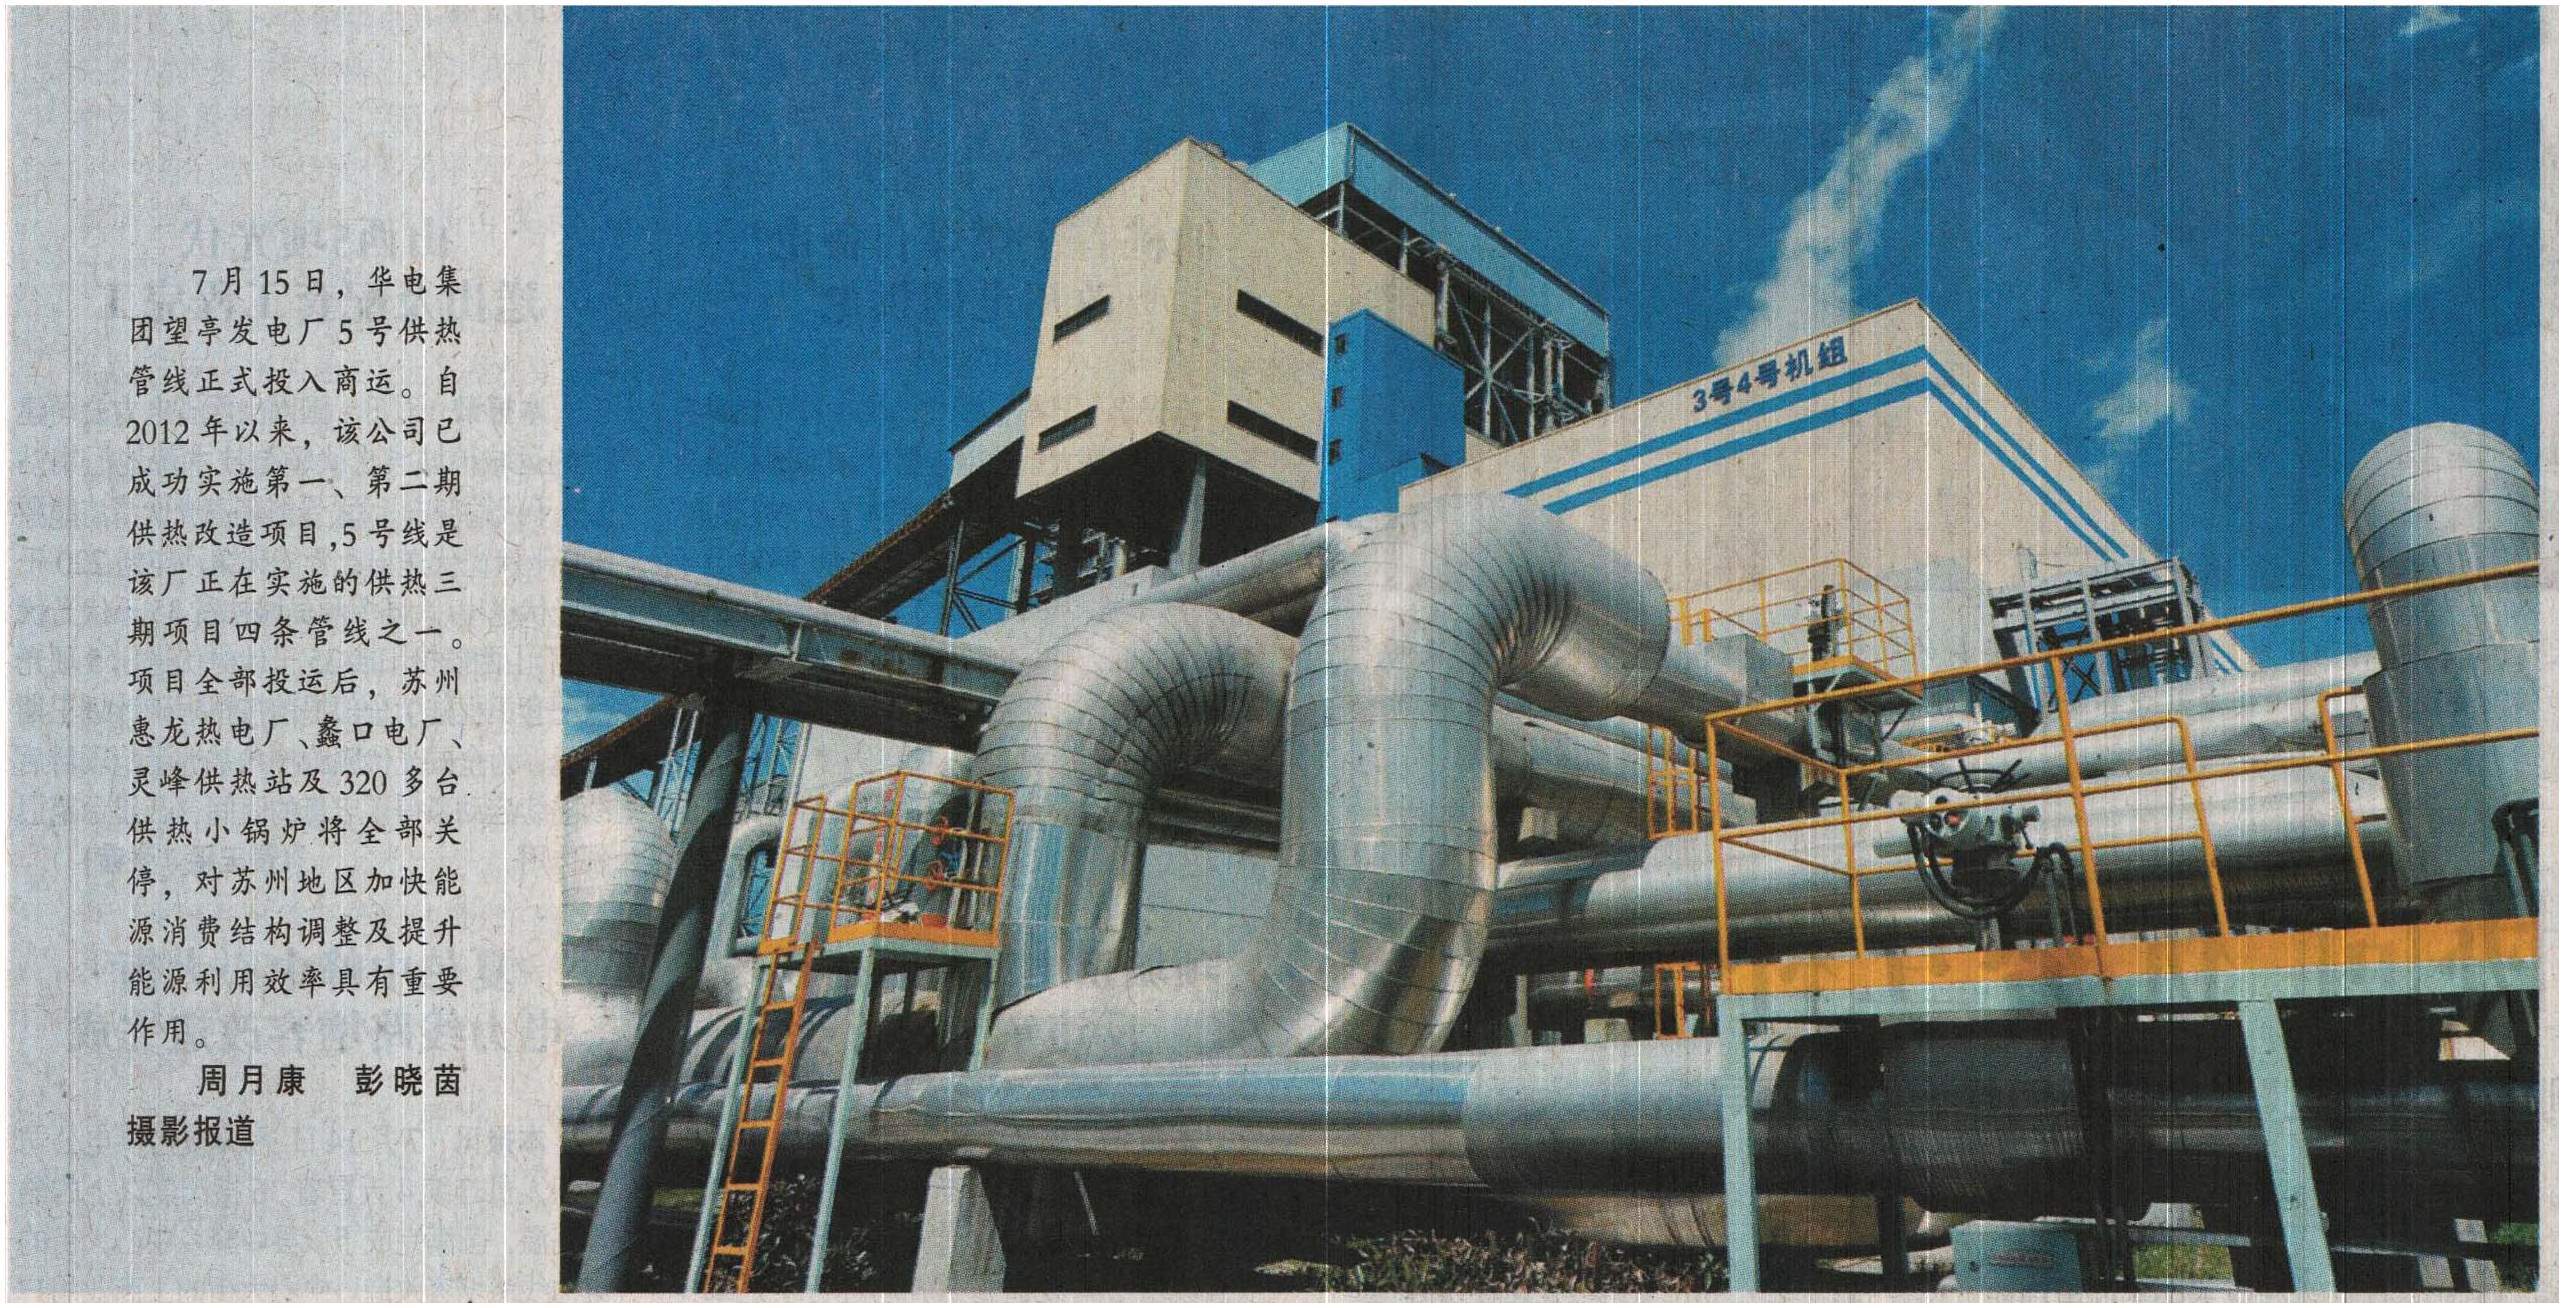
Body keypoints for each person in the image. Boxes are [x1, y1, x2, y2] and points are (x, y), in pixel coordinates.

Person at [1808, 583, 1844, 662]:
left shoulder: (1832, 612)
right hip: (1823, 643)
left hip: (1830, 640)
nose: (1834, 599)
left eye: (1834, 596)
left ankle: (1833, 655)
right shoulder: (1820, 612)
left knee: (1834, 650)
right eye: (1832, 596)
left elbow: (1840, 621)